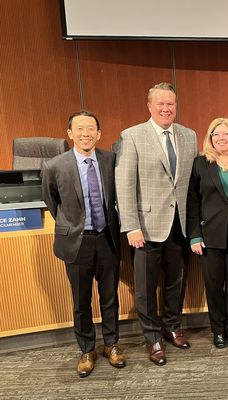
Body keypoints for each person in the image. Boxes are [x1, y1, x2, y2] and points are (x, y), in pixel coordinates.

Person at [115, 82, 198, 365]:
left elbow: (191, 183)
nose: (166, 108)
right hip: (146, 227)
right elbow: (124, 184)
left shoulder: (189, 136)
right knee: (145, 287)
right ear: (149, 106)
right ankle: (152, 338)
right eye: (160, 103)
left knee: (177, 280)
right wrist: (131, 225)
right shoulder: (132, 136)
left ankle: (172, 326)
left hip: (180, 225)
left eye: (171, 104)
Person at [42, 111, 124, 377]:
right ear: (69, 133)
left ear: (99, 134)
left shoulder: (110, 160)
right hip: (77, 242)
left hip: (107, 238)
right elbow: (52, 202)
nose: (86, 133)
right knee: (81, 300)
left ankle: (111, 345)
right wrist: (73, 224)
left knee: (110, 297)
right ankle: (87, 348)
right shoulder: (54, 166)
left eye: (91, 129)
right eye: (80, 129)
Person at [187, 117, 228, 349]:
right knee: (213, 287)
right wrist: (195, 235)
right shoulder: (201, 163)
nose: (221, 138)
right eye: (216, 134)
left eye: (226, 133)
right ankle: (218, 330)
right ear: (210, 138)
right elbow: (192, 202)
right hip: (209, 237)